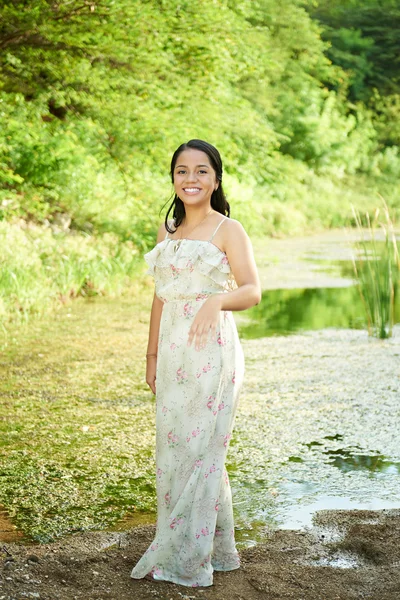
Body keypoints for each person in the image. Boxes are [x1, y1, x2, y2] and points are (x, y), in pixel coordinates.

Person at [130, 139, 261, 588]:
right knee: (174, 452)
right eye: (183, 170)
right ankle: (218, 550)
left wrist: (216, 301)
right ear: (173, 178)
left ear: (216, 179)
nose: (191, 178)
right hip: (172, 354)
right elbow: (159, 297)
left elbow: (252, 291)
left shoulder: (228, 229)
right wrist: (150, 355)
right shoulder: (167, 231)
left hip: (213, 352)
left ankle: (187, 561)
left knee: (204, 450)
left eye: (201, 171)